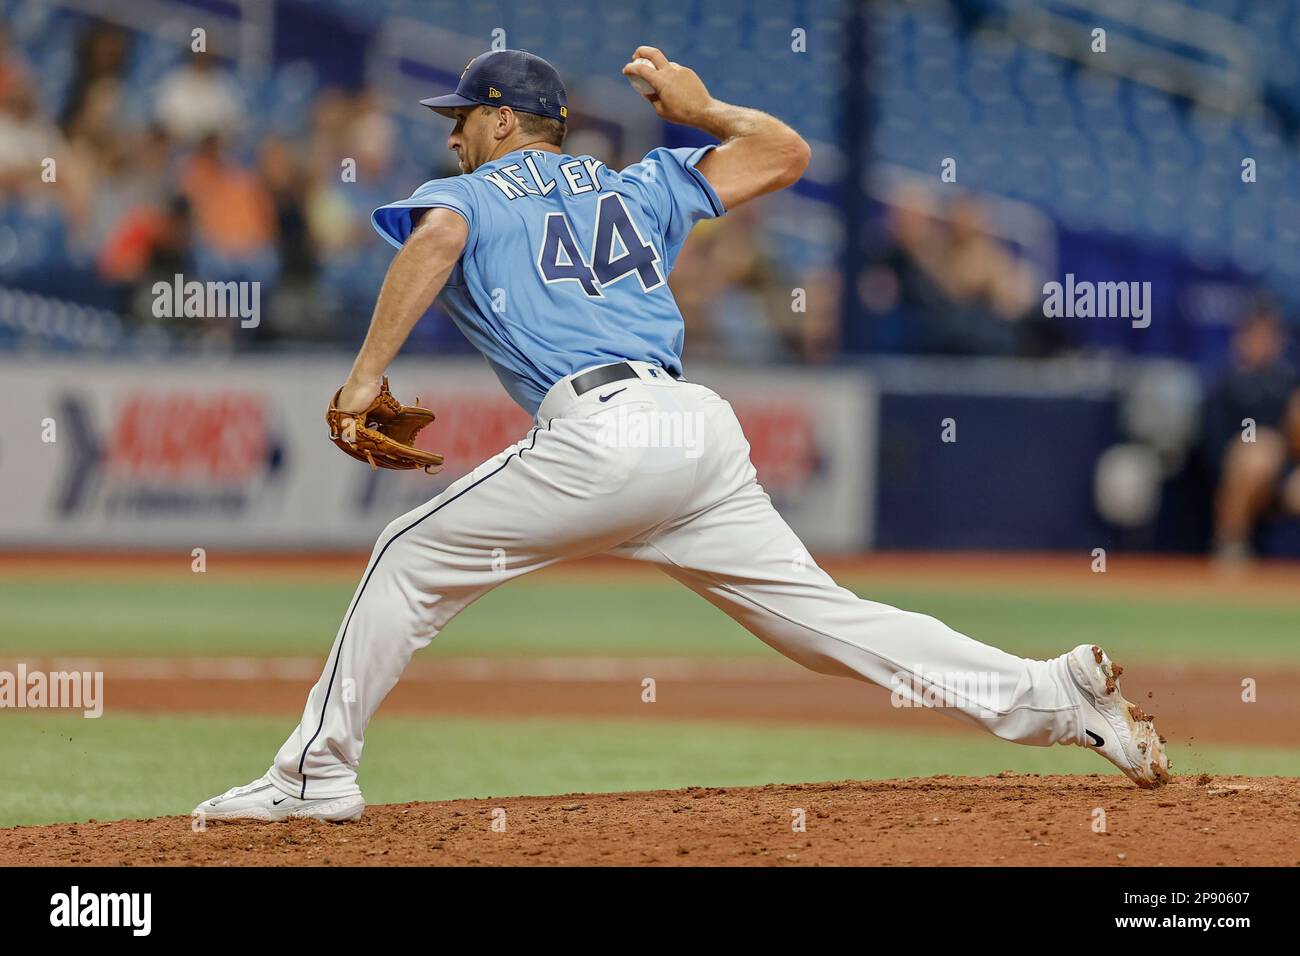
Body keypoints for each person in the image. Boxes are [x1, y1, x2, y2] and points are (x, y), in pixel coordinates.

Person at [195, 47, 1169, 823]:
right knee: (825, 624)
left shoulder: (478, 192)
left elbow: (436, 237)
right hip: (696, 431)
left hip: (603, 430)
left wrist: (364, 376)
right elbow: (785, 155)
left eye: (461, 120)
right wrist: (705, 113)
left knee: (404, 555)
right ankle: (1050, 693)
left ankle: (315, 774)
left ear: (500, 120)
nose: (452, 140)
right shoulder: (634, 186)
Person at [1203, 302, 1300, 564]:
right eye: (1256, 335)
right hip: (1238, 472)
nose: (1262, 342)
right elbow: (1212, 442)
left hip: (1285, 471)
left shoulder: (1288, 380)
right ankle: (1230, 544)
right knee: (1255, 451)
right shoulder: (1225, 381)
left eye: (1269, 335)